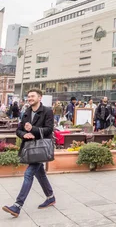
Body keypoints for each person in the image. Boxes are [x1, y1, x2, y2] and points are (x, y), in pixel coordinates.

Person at [2, 89, 55, 218]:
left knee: (29, 173)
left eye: (32, 96)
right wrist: (25, 134)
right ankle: (50, 197)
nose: (30, 98)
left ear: (40, 97)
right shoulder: (27, 112)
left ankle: (17, 206)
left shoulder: (47, 111)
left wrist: (33, 129)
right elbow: (18, 130)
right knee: (40, 173)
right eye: (28, 96)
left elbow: (49, 129)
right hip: (31, 148)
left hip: (41, 148)